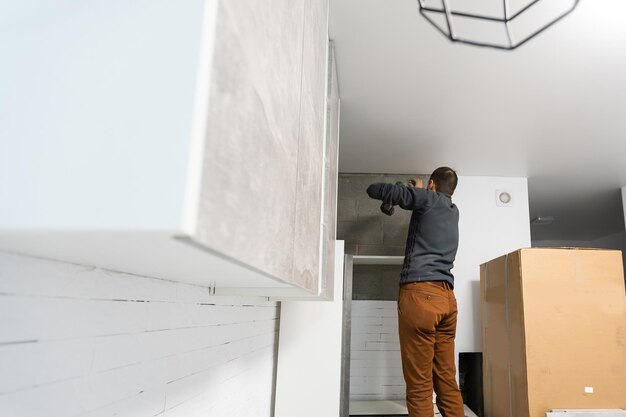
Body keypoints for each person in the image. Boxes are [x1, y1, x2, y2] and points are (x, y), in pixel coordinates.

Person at [366, 167, 464, 417]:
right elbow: (429, 208)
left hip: (421, 295)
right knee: (447, 381)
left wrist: (408, 191)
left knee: (420, 385)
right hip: (447, 300)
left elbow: (374, 189)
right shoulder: (453, 211)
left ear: (432, 184)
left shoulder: (428, 199)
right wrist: (418, 193)